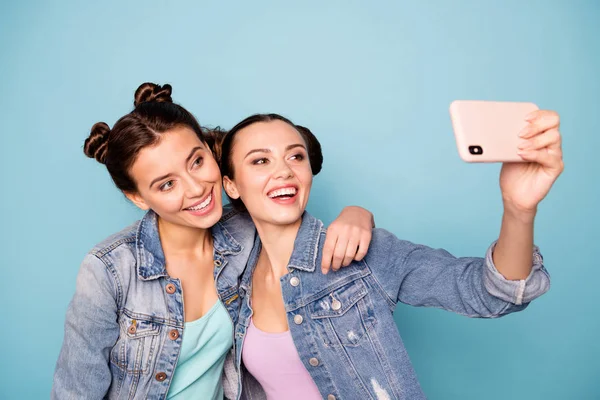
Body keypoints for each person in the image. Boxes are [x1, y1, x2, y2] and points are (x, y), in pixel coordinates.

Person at [51, 83, 376, 400]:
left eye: (196, 161)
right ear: (138, 197)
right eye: (166, 185)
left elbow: (296, 205)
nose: (196, 188)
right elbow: (76, 390)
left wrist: (356, 213)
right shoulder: (109, 270)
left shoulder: (248, 231)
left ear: (210, 150)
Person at [219, 112, 563, 399]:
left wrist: (518, 209)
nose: (284, 171)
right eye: (260, 160)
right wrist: (359, 211)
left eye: (296, 156)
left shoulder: (365, 255)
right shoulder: (233, 269)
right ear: (230, 185)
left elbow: (489, 293)